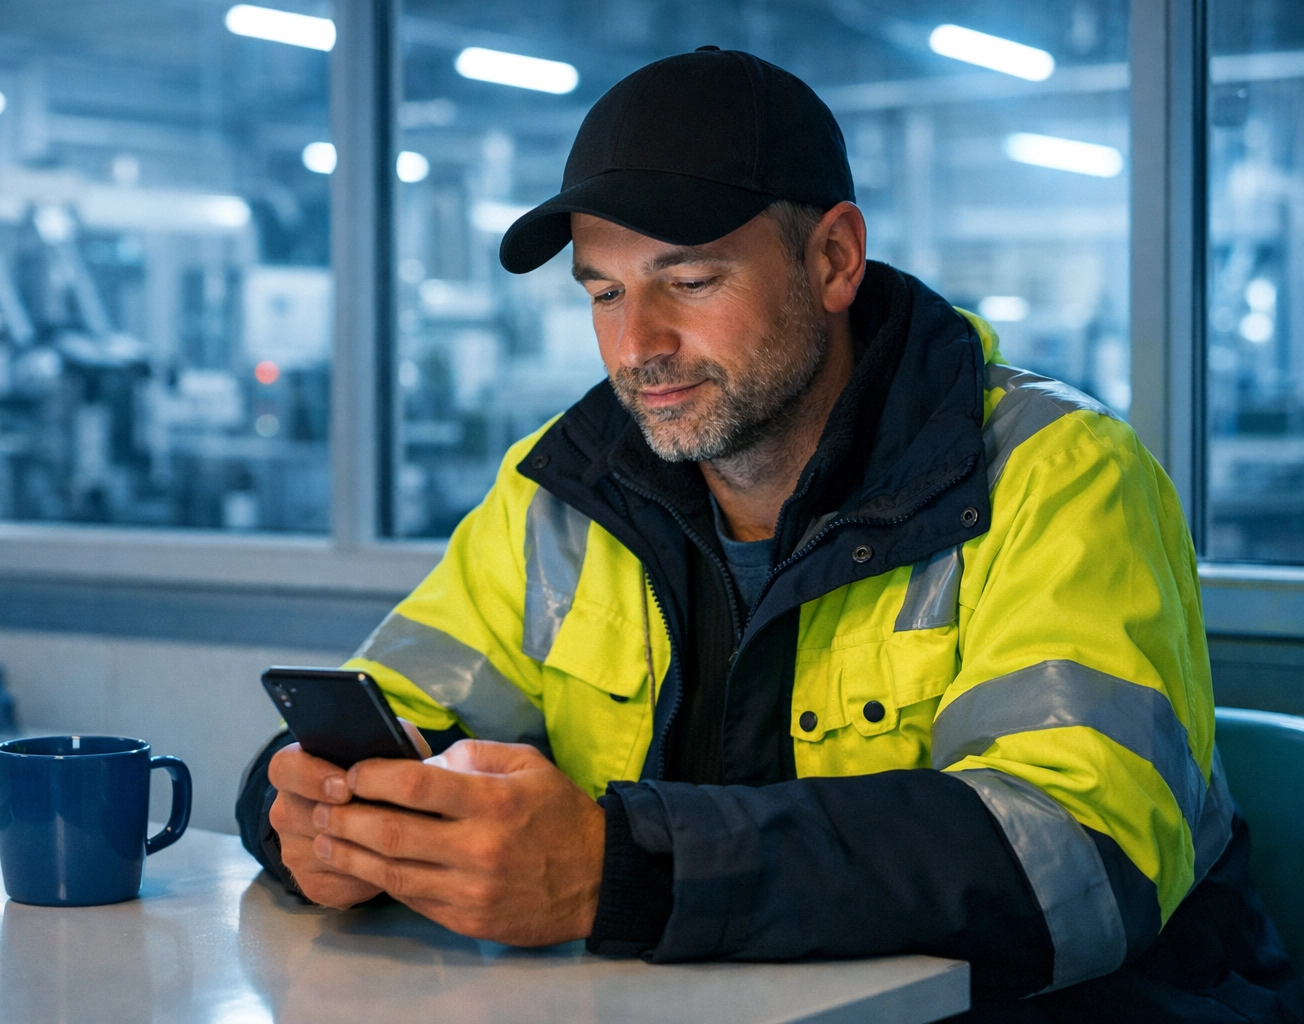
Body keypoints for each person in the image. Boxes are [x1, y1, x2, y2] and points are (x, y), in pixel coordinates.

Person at [237, 47, 1300, 1021]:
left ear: (834, 260)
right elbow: (395, 709)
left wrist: (622, 867)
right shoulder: (563, 492)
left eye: (690, 281)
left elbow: (1075, 862)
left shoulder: (1059, 475)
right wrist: (309, 813)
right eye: (605, 293)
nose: (639, 344)